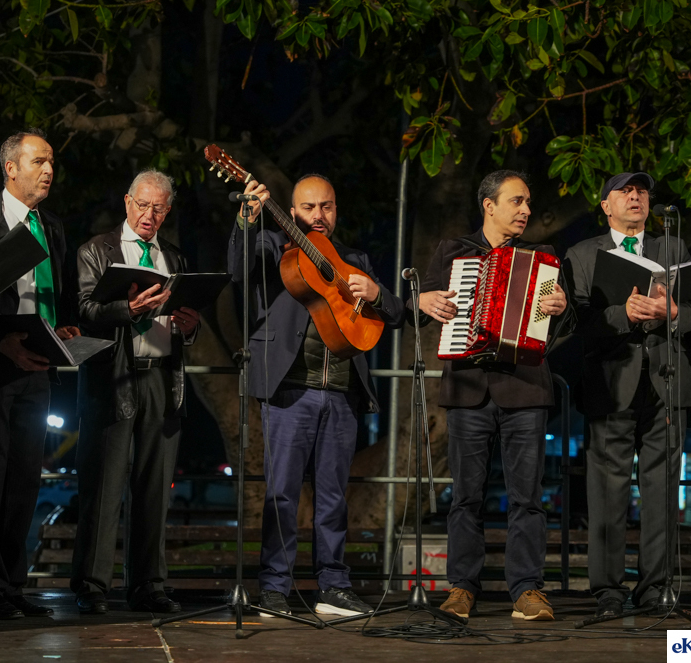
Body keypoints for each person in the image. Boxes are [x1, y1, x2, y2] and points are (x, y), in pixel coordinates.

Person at [227, 173, 404, 618]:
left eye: (326, 206)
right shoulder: (272, 247)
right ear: (292, 212)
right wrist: (246, 221)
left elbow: (394, 313)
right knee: (282, 494)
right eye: (309, 207)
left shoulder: (353, 259)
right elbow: (237, 271)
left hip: (342, 394)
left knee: (333, 497)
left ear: (336, 210)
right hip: (289, 390)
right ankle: (274, 588)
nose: (318, 215)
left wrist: (377, 293)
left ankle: (334, 586)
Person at [415, 170, 570, 622]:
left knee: (528, 497)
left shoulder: (542, 258)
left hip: (525, 387)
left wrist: (562, 309)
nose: (526, 210)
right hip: (468, 388)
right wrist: (421, 302)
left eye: (528, 202)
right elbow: (420, 306)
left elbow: (562, 323)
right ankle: (462, 588)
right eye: (517, 201)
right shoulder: (453, 251)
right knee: (466, 496)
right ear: (489, 205)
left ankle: (527, 590)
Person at [563, 171, 691, 618]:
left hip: (666, 382)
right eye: (625, 192)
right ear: (605, 205)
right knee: (607, 493)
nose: (635, 197)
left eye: (642, 191)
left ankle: (655, 588)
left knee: (662, 490)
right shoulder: (582, 254)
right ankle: (608, 590)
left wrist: (674, 312)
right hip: (611, 385)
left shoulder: (672, 248)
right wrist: (622, 314)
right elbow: (575, 322)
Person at [0, 129, 77, 620]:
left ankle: (11, 585)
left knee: (25, 480)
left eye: (52, 162)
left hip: (37, 366)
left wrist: (63, 328)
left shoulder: (53, 227)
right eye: (39, 161)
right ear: (11, 168)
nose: (49, 170)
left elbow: (56, 293)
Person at [71, 169, 200, 615]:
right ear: (127, 202)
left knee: (154, 489)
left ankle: (148, 585)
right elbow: (85, 309)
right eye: (143, 205)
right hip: (115, 379)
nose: (149, 215)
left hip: (163, 378)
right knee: (104, 487)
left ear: (168, 211)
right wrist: (128, 308)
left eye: (158, 208)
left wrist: (190, 327)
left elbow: (187, 315)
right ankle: (92, 585)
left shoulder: (174, 257)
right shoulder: (97, 250)